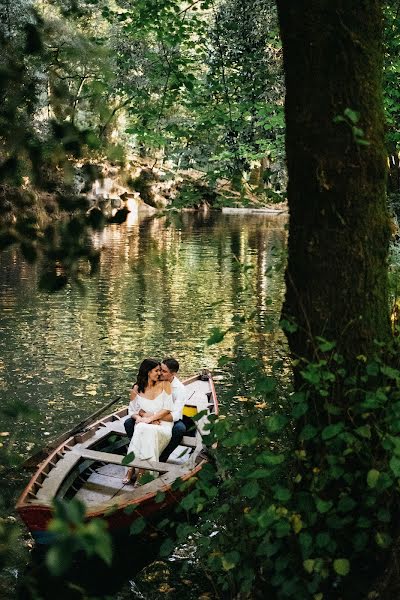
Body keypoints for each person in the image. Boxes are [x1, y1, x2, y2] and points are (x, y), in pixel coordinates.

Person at [124, 357, 187, 462]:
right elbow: (140, 405)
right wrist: (146, 416)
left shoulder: (180, 389)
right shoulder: (153, 381)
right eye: (159, 369)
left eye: (164, 371)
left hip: (169, 419)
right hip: (150, 416)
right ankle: (139, 453)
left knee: (179, 429)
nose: (160, 373)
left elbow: (175, 415)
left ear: (173, 374)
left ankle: (161, 458)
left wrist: (151, 417)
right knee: (128, 423)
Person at [123, 358, 173, 484]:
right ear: (147, 372)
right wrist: (140, 419)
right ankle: (141, 471)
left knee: (141, 428)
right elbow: (132, 411)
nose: (160, 373)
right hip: (147, 424)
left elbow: (167, 409)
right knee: (142, 428)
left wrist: (149, 419)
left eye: (160, 371)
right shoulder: (136, 388)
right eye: (156, 371)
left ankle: (131, 468)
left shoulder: (165, 385)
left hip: (163, 425)